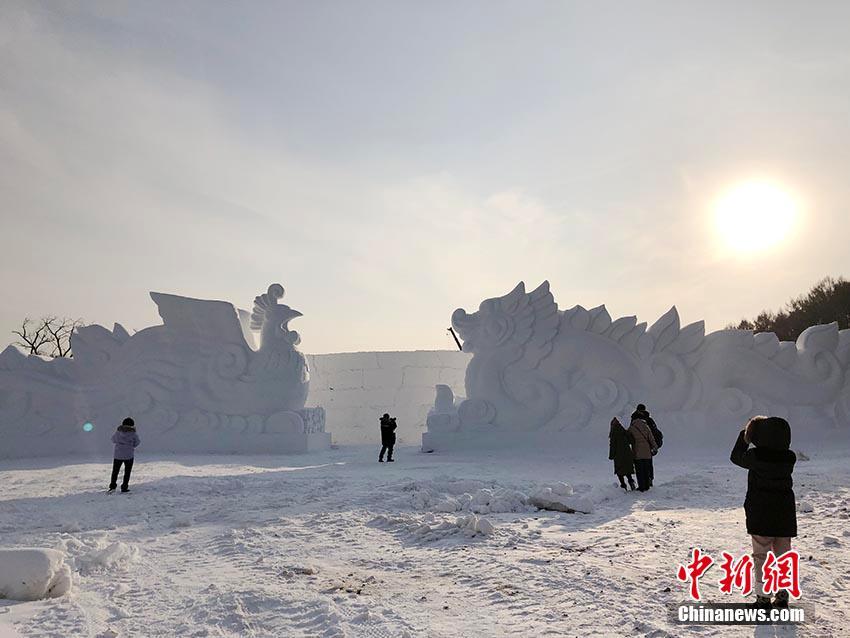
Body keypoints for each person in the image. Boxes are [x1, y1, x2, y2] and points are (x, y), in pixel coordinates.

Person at [730, 416, 797, 609]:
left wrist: (745, 435)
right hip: (784, 513)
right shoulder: (789, 457)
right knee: (783, 556)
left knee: (762, 556)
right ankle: (783, 595)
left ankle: (763, 598)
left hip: (761, 512)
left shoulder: (756, 457)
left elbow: (735, 456)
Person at [632, 404, 663, 486]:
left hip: (637, 448)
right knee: (648, 464)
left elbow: (630, 435)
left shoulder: (633, 421)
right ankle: (649, 480)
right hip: (648, 447)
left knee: (639, 466)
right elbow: (653, 433)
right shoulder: (649, 420)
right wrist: (655, 446)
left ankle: (642, 484)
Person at [628, 412, 657, 491]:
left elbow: (629, 440)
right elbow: (651, 438)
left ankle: (641, 486)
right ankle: (647, 485)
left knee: (639, 470)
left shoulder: (631, 428)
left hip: (637, 452)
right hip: (647, 451)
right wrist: (655, 447)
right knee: (646, 469)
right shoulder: (646, 426)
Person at [109, 417, 140, 492]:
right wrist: (130, 446)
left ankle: (112, 487)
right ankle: (124, 487)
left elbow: (113, 440)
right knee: (127, 472)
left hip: (118, 455)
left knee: (115, 471)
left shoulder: (118, 432)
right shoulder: (133, 434)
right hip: (129, 455)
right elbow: (137, 442)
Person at [608, 417, 636, 491]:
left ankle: (623, 485)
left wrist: (611, 456)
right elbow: (632, 440)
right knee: (627, 470)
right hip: (627, 454)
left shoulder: (613, 434)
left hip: (618, 456)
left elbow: (612, 446)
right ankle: (631, 482)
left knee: (619, 471)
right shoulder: (624, 431)